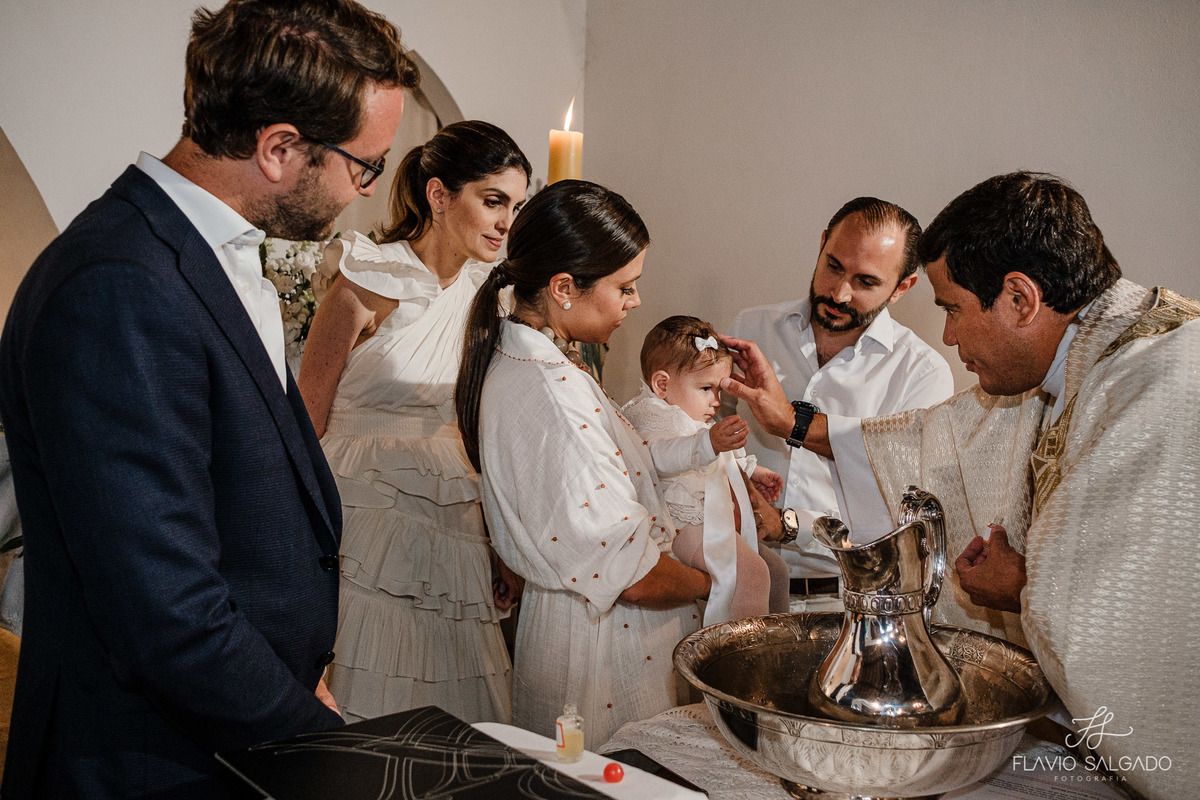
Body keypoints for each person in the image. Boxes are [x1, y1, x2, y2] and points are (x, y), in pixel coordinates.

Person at [0, 2, 419, 797]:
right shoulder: (119, 284)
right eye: (364, 166)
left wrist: (295, 672)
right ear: (279, 148)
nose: (363, 191)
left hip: (221, 735)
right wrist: (317, 742)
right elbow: (164, 614)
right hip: (145, 760)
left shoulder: (204, 253)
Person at [723, 172, 1198, 799]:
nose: (948, 336)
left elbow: (1155, 603)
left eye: (952, 309)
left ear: (1020, 298)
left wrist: (1024, 587)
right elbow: (929, 438)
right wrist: (793, 424)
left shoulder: (1161, 384)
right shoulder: (1085, 358)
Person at [455, 180, 711, 749]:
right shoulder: (551, 392)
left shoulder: (524, 359)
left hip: (578, 627)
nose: (635, 301)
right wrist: (713, 584)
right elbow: (629, 572)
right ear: (564, 287)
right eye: (625, 287)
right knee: (608, 775)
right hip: (603, 651)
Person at [297, 121, 531, 724]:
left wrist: (501, 547)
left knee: (454, 700)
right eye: (494, 200)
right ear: (438, 195)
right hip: (360, 519)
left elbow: (483, 431)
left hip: (455, 522)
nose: (507, 222)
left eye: (516, 206)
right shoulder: (367, 279)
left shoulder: (490, 298)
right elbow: (302, 423)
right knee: (363, 687)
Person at [721, 198, 953, 608]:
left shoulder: (922, 374)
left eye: (866, 282)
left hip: (849, 605)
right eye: (833, 266)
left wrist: (789, 526)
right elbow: (704, 437)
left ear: (903, 287)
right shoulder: (752, 328)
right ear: (822, 243)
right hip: (737, 590)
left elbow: (902, 517)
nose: (840, 293)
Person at [620, 315, 789, 623]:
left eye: (719, 390)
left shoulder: (691, 416)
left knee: (775, 570)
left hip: (714, 519)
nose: (716, 401)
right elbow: (657, 455)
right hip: (681, 523)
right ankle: (746, 648)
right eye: (706, 388)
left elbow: (722, 458)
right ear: (661, 385)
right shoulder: (650, 414)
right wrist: (708, 443)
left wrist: (753, 471)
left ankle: (778, 639)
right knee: (752, 575)